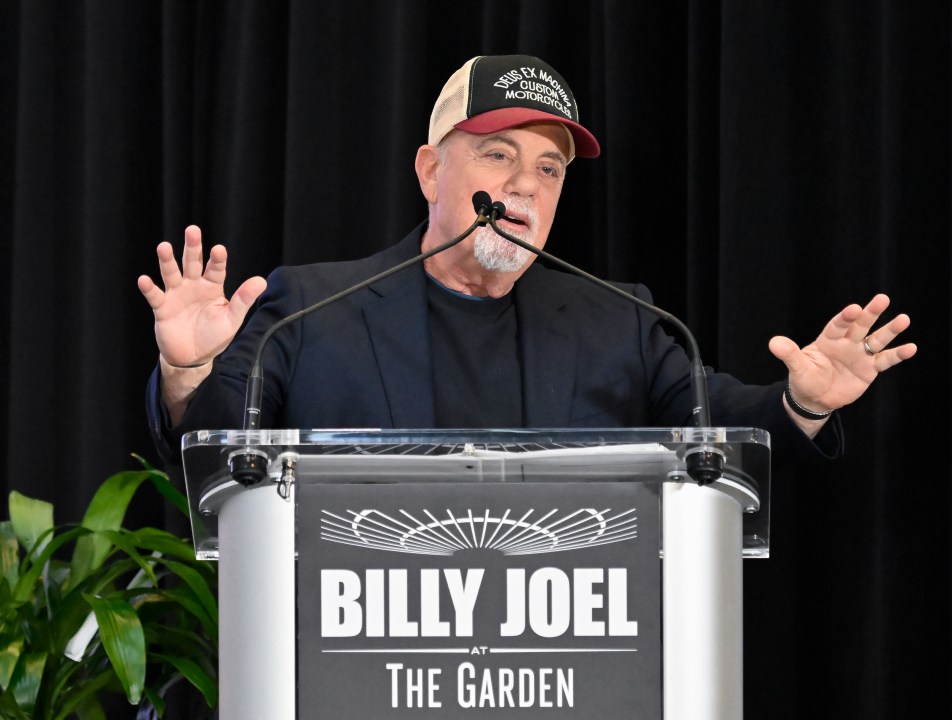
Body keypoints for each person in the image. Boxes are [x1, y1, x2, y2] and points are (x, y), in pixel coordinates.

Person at [138, 54, 916, 464]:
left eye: (549, 169)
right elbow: (214, 454)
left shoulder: (624, 321)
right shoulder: (306, 312)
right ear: (431, 171)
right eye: (498, 155)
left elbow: (720, 431)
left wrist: (802, 404)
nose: (524, 185)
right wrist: (188, 375)